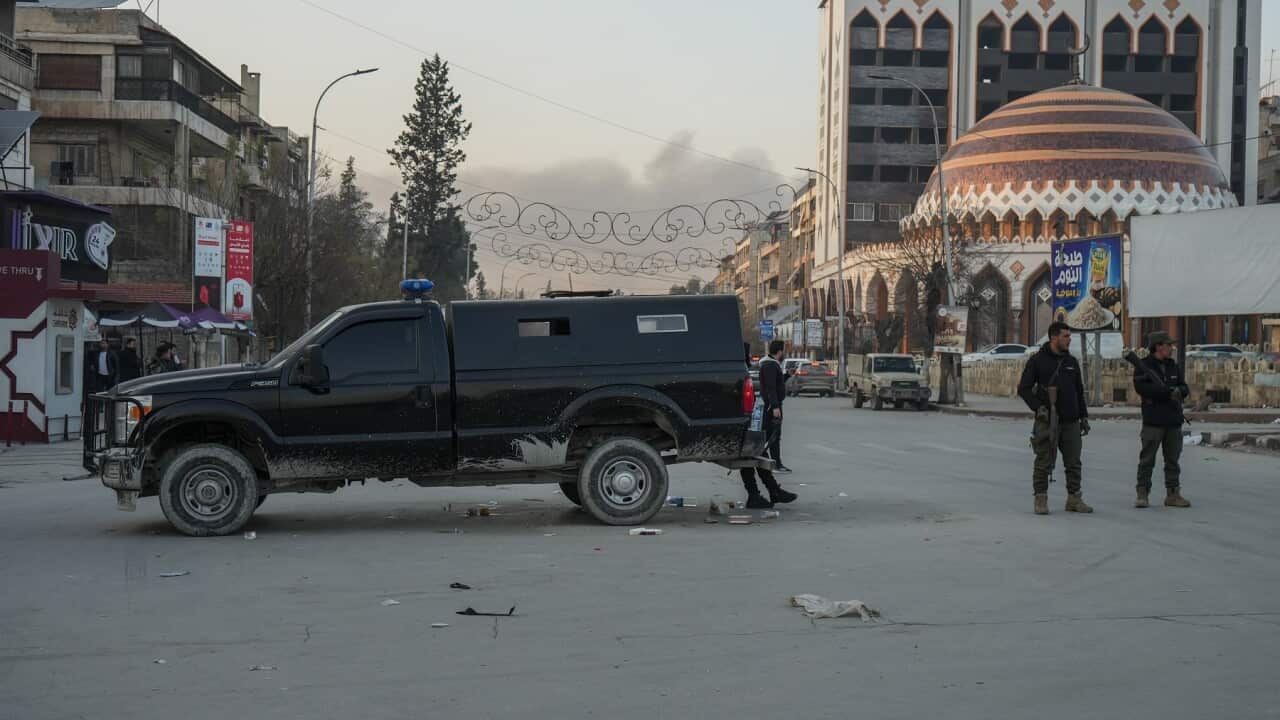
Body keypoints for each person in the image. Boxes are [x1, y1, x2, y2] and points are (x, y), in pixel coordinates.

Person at [1017, 322, 1092, 515]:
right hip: (1047, 420)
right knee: (1044, 460)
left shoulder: (1071, 362)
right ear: (1054, 337)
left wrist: (1083, 416)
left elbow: (1078, 391)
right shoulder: (1037, 361)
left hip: (1071, 421)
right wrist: (1039, 408)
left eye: (1069, 336)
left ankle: (1074, 498)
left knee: (1074, 462)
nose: (1069, 339)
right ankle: (1040, 498)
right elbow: (1024, 389)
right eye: (1065, 336)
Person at [1133, 331, 1192, 509]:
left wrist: (1178, 392)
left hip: (1173, 420)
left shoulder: (1173, 366)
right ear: (1159, 346)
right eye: (1168, 345)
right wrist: (1166, 392)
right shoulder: (1144, 366)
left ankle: (1173, 494)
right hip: (1154, 420)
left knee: (1173, 460)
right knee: (1147, 460)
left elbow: (1184, 387)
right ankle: (1142, 493)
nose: (1171, 348)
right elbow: (1142, 388)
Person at [741, 340, 798, 509]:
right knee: (754, 452)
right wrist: (774, 406)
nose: (750, 357)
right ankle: (766, 492)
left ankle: (769, 491)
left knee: (754, 453)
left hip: (751, 413)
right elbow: (770, 388)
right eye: (748, 354)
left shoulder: (757, 366)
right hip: (755, 413)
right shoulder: (766, 366)